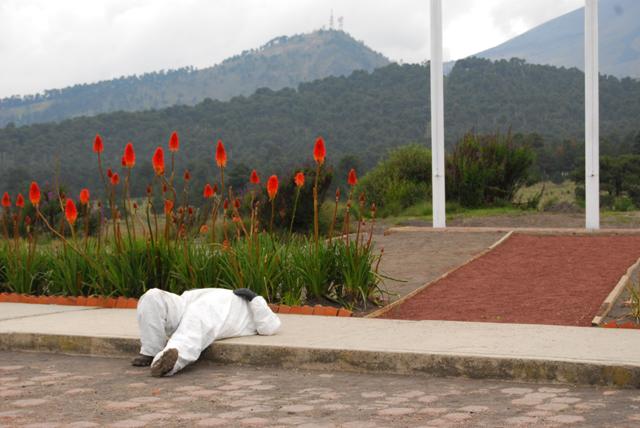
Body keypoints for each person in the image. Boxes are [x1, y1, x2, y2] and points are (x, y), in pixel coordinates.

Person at [132, 287, 281, 377]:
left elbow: (270, 327)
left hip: (216, 312)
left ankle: (166, 364)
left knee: (194, 327)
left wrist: (255, 299)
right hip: (188, 301)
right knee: (152, 296)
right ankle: (150, 351)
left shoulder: (254, 306)